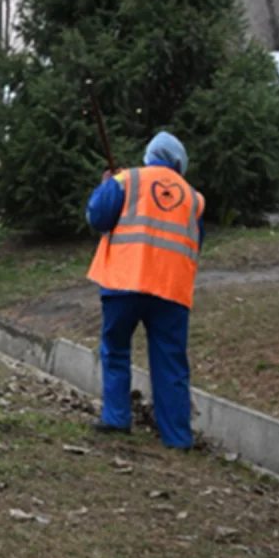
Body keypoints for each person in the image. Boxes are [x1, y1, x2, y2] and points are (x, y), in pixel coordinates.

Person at [84, 131, 205, 451]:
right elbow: (196, 242)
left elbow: (97, 217)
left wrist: (104, 185)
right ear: (179, 165)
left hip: (124, 282)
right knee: (170, 363)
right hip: (170, 290)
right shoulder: (193, 198)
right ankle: (177, 437)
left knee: (116, 348)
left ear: (150, 155)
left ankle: (116, 418)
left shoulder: (126, 181)